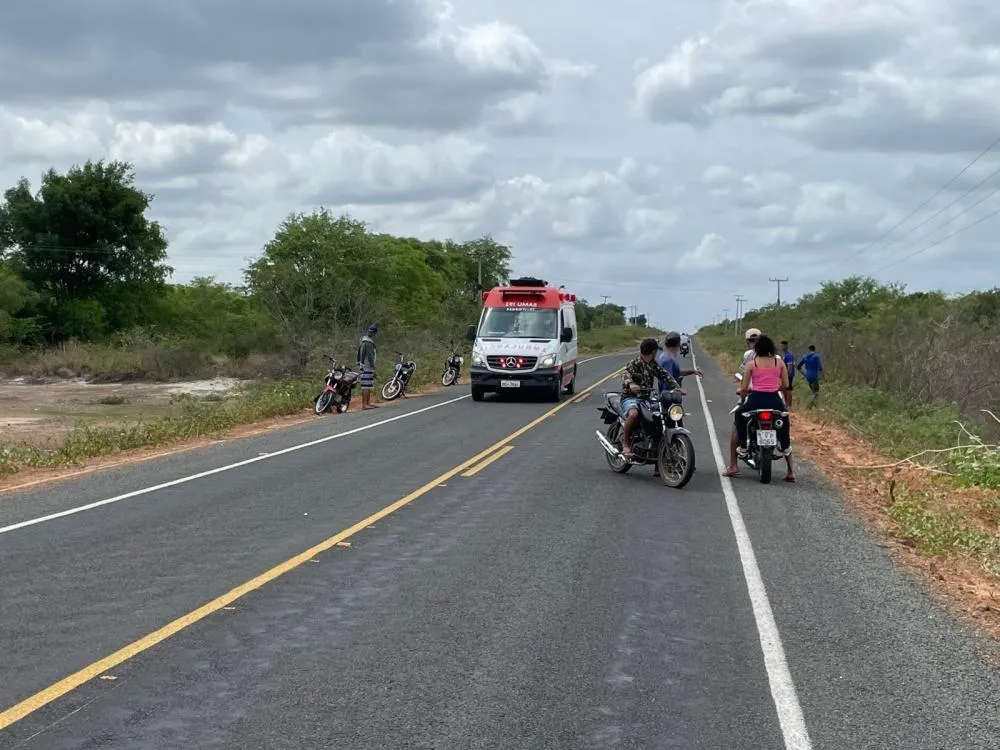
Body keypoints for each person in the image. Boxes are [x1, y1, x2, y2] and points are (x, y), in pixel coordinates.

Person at [725, 334, 795, 482]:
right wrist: (776, 387)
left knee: (739, 415)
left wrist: (743, 400)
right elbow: (786, 386)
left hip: (756, 399)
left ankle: (743, 447)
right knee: (784, 419)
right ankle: (786, 448)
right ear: (772, 348)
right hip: (774, 400)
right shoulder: (779, 362)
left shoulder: (752, 364)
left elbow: (744, 388)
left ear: (756, 349)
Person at [620, 338, 683, 460]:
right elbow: (625, 374)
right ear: (653, 352)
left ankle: (657, 457)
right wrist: (631, 384)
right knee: (633, 414)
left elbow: (665, 376)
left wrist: (677, 388)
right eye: (656, 352)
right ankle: (626, 445)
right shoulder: (634, 363)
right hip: (630, 397)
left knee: (660, 418)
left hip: (646, 399)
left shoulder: (653, 365)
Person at [357, 324, 378, 410]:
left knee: (368, 384)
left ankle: (368, 403)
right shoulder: (368, 342)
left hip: (364, 365)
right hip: (367, 365)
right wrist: (373, 368)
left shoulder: (364, 340)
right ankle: (364, 404)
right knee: (365, 385)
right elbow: (370, 356)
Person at [780, 340, 795, 409]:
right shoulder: (784, 355)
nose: (782, 347)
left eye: (783, 346)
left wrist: (787, 375)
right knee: (784, 389)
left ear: (786, 346)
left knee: (788, 390)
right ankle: (786, 404)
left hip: (789, 375)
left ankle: (789, 405)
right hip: (784, 375)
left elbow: (790, 366)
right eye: (781, 346)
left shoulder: (789, 355)